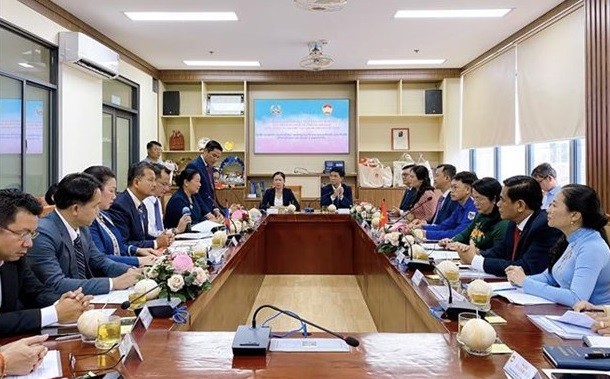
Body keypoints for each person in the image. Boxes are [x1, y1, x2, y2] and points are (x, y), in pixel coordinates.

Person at [27, 173, 140, 295]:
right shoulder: (44, 233)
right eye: (95, 206)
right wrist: (113, 283)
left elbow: (99, 260)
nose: (98, 211)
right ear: (75, 209)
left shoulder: (82, 226)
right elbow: (56, 284)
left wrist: (131, 271)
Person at [0, 189, 92, 336]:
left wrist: (66, 303)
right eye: (23, 234)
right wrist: (54, 313)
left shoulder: (14, 259)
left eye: (32, 234)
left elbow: (35, 293)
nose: (29, 243)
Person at [506, 185, 610, 307]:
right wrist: (518, 279)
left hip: (593, 320)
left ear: (575, 216)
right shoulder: (571, 238)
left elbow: (577, 298)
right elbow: (550, 277)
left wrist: (526, 282)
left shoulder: (592, 247)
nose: (548, 210)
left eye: (554, 205)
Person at [457, 175, 562, 277]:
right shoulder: (514, 222)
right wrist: (476, 253)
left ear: (520, 205)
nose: (498, 204)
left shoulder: (545, 227)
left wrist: (475, 261)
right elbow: (500, 251)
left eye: (502, 200)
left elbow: (527, 267)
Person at [84, 166, 158, 268]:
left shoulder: (104, 215)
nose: (114, 196)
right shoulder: (88, 221)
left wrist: (137, 250)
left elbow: (119, 244)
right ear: (95, 191)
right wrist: (138, 260)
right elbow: (100, 258)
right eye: (111, 191)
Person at [108, 162, 172, 250]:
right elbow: (123, 244)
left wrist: (163, 239)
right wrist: (155, 243)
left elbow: (142, 238)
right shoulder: (120, 206)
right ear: (136, 182)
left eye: (155, 180)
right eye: (150, 180)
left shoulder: (142, 206)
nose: (154, 184)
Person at [439, 177, 509, 251]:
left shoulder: (503, 223)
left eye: (479, 199)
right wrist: (451, 241)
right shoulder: (480, 216)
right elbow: (464, 235)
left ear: (494, 199)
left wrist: (468, 249)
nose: (475, 203)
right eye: (474, 198)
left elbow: (497, 254)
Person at [417, 171, 478, 240]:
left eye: (455, 187)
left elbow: (458, 233)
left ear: (467, 189)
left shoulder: (473, 207)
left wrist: (425, 233)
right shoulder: (460, 206)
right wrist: (421, 227)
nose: (451, 191)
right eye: (451, 187)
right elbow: (444, 226)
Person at [185, 139, 225, 222]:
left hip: (210, 210)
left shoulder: (209, 166)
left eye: (218, 157)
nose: (215, 159)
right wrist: (207, 213)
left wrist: (215, 209)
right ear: (205, 151)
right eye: (213, 155)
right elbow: (194, 194)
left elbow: (211, 192)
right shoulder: (194, 165)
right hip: (200, 213)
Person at [143, 164, 189, 237]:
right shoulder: (143, 203)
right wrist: (175, 230)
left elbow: (160, 231)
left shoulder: (157, 200)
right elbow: (149, 234)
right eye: (164, 184)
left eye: (168, 185)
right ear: (153, 181)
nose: (167, 189)